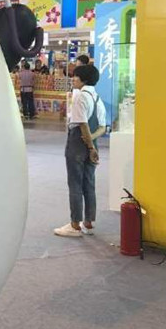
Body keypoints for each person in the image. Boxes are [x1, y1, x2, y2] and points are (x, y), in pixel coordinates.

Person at [54, 64, 106, 237]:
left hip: (78, 143)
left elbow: (82, 124)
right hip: (92, 143)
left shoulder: (81, 97)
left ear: (84, 79)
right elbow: (103, 127)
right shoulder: (97, 98)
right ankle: (88, 222)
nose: (73, 79)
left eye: (76, 76)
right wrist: (92, 141)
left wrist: (89, 145)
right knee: (89, 183)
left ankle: (75, 224)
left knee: (75, 183)